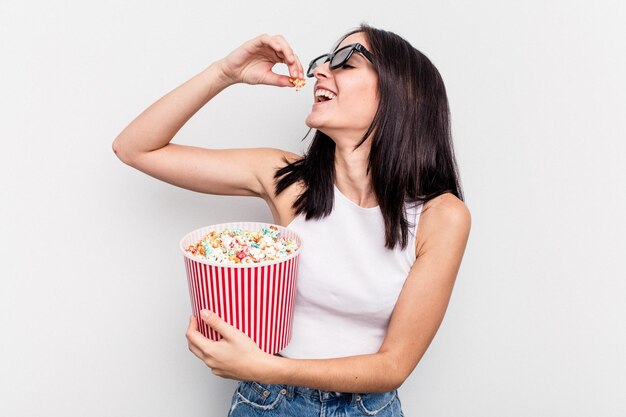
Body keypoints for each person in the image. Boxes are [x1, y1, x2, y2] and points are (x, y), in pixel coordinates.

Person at [113, 23, 471, 417]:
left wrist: (265, 367)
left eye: (345, 63)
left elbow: (393, 366)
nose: (320, 70)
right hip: (267, 403)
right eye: (322, 62)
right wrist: (224, 73)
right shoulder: (288, 181)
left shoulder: (442, 216)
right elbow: (134, 148)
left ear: (400, 93)